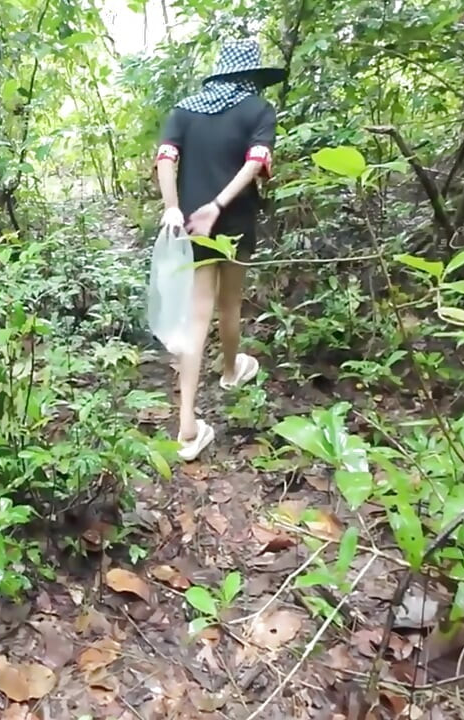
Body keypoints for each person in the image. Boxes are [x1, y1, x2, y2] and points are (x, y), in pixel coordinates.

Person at [152, 38, 285, 461]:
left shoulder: (185, 111)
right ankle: (230, 372)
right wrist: (219, 205)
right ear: (251, 75)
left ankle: (188, 427)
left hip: (193, 222)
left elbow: (165, 158)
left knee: (196, 318)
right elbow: (255, 162)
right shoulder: (258, 110)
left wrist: (173, 207)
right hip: (234, 220)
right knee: (231, 303)